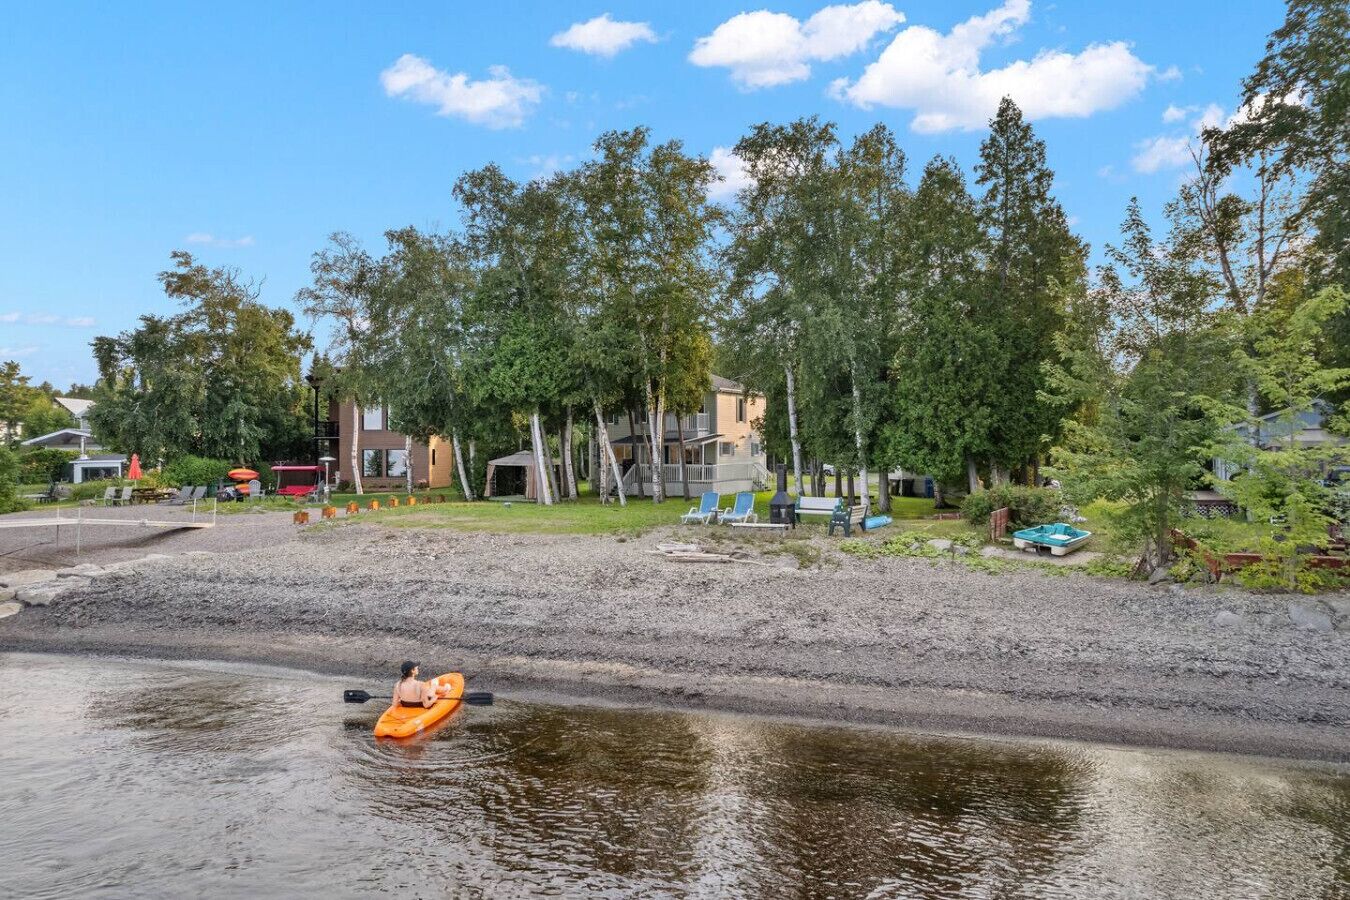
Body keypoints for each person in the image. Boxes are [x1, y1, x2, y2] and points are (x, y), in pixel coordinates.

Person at [387, 661, 452, 712]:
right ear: (412, 671)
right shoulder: (421, 684)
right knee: (434, 687)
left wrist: (405, 697)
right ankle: (446, 689)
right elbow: (426, 705)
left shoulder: (397, 685)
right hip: (420, 704)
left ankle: (434, 684)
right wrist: (435, 698)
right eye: (416, 668)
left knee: (430, 687)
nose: (417, 669)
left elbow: (394, 704)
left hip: (406, 704)